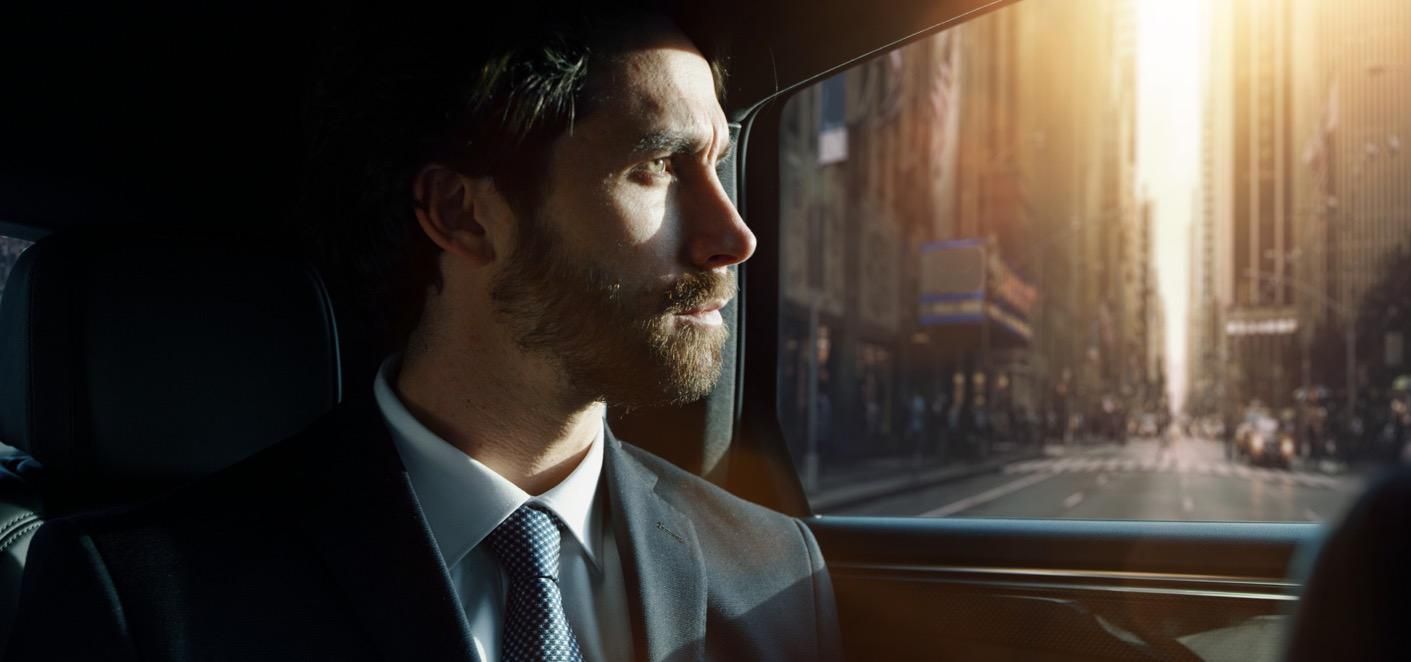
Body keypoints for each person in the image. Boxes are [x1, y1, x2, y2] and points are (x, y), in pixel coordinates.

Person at [7, 5, 841, 661]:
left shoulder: (773, 570)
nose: (734, 236)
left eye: (719, 164)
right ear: (462, 215)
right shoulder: (146, 599)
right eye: (656, 167)